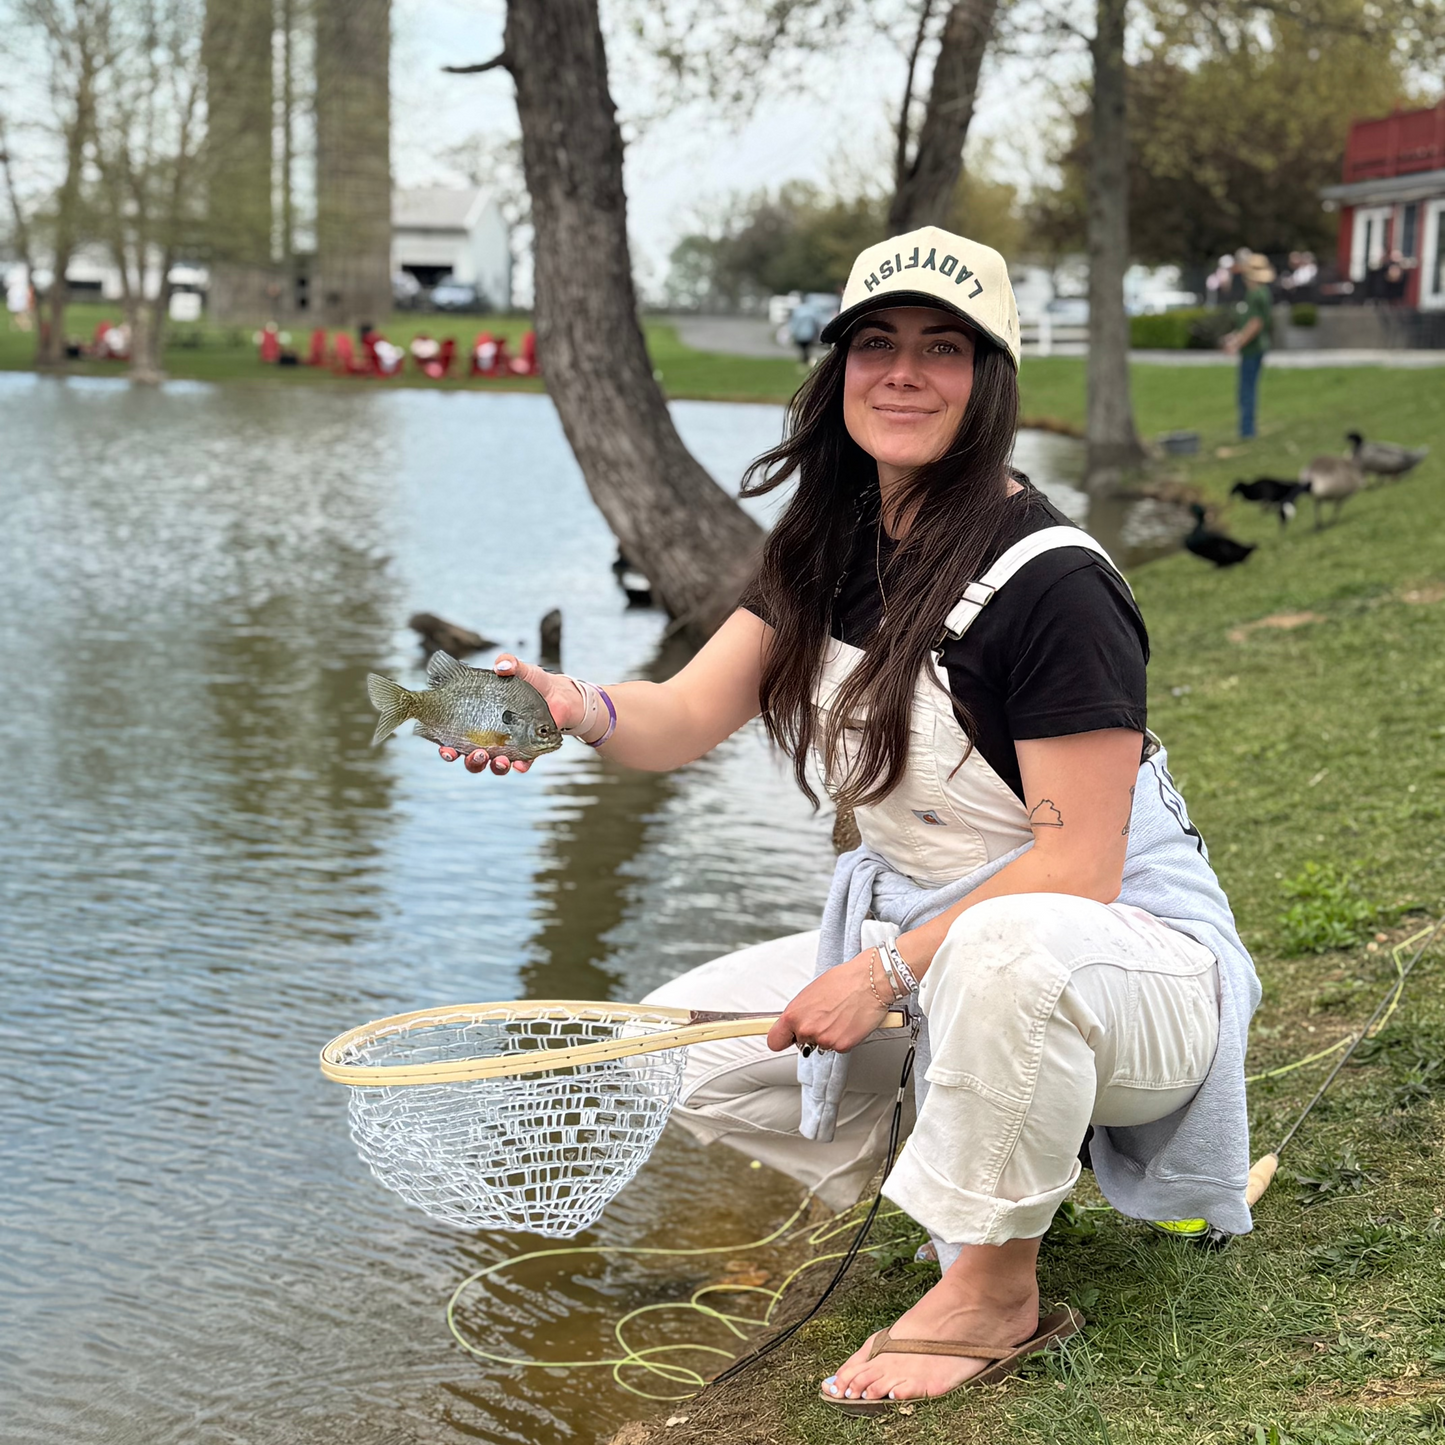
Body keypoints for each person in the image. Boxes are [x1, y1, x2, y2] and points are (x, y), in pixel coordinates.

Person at [439, 225, 1259, 1409]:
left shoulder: (1056, 584)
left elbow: (1078, 867)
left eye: (943, 347)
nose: (902, 373)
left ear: (990, 383)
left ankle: (994, 1286)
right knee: (691, 1047)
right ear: (835, 375)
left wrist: (876, 972)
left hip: (1131, 973)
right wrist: (573, 705)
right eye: (874, 344)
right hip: (941, 954)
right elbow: (673, 717)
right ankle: (960, 1175)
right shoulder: (826, 547)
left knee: (1004, 948)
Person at [1221, 252, 1274, 439]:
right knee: (1246, 389)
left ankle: (1247, 431)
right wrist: (1235, 336)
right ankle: (1246, 429)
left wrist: (1237, 342)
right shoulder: (1258, 293)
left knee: (1246, 390)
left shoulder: (1256, 294)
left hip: (1253, 348)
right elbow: (1248, 323)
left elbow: (1256, 323)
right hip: (1253, 347)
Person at [789, 297, 822, 364]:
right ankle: (807, 360)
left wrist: (793, 332)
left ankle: (805, 360)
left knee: (803, 349)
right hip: (809, 333)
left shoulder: (798, 311)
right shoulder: (812, 311)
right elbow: (816, 323)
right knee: (807, 348)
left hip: (800, 334)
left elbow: (794, 323)